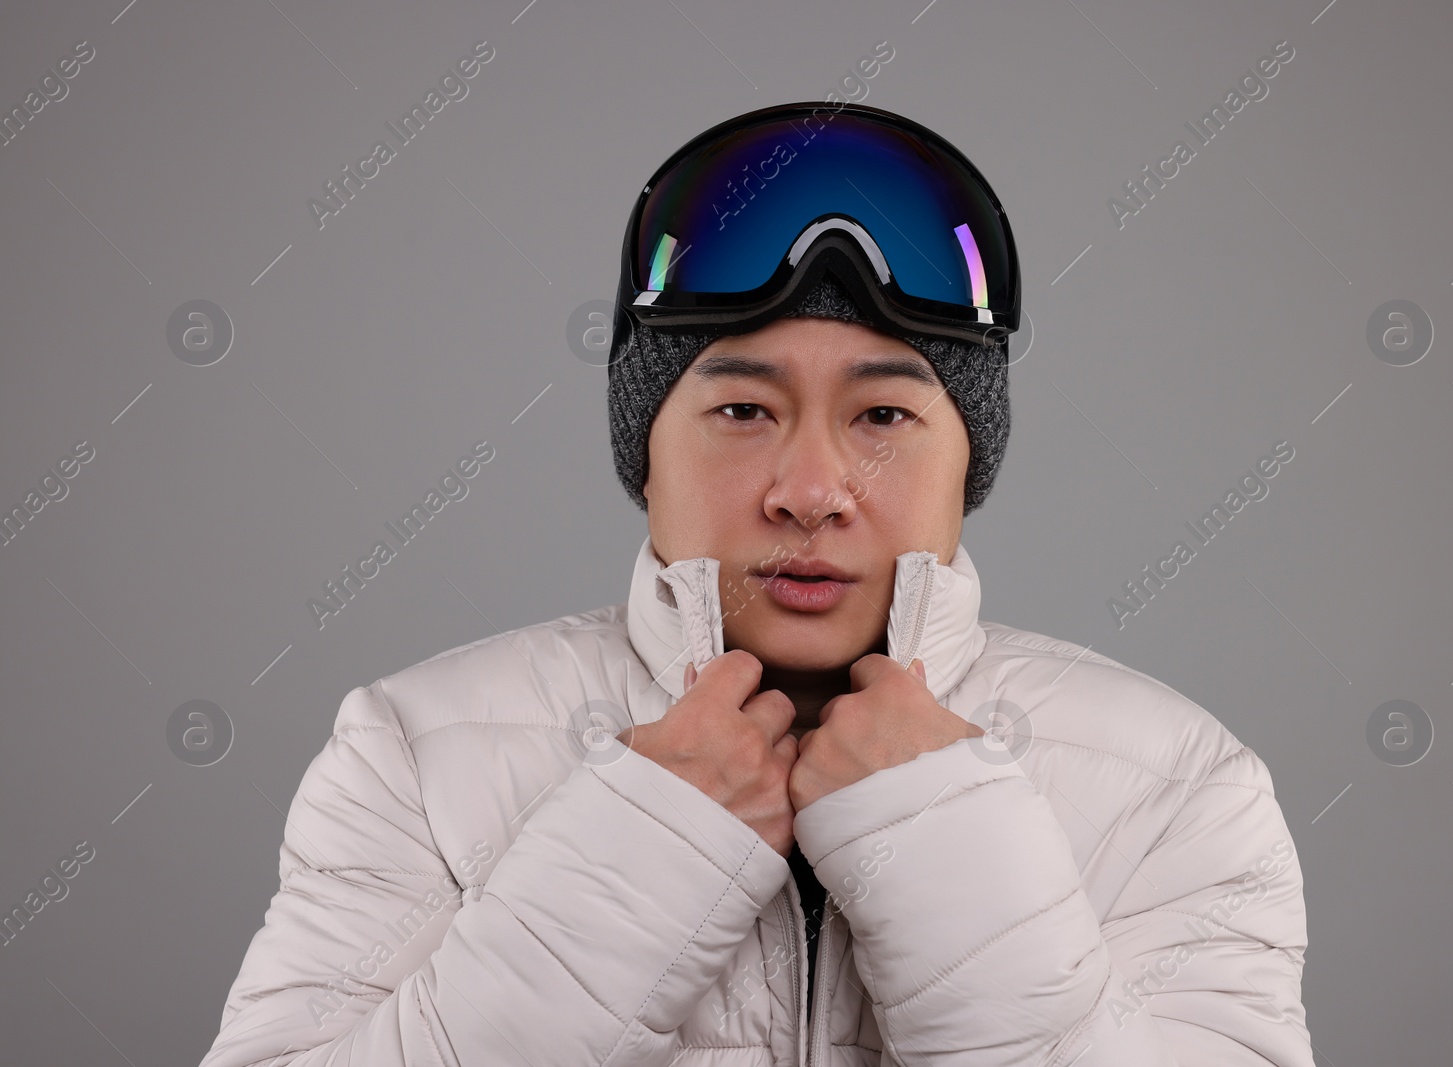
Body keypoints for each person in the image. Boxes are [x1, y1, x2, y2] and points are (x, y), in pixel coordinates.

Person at [200, 101, 1312, 1066]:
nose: (812, 490)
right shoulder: (414, 749)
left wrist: (934, 830)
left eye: (883, 415)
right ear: (644, 448)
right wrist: (643, 845)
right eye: (741, 411)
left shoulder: (1174, 780)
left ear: (970, 456)